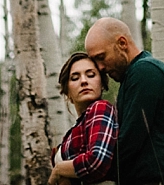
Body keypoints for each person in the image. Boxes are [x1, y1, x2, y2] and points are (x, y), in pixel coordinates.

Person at [84, 17, 164, 185]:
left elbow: (126, 146)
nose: (100, 67)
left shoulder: (145, 71)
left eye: (101, 57)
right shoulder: (134, 77)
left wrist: (78, 170)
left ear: (122, 43)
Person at [50, 51, 118, 184]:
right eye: (75, 78)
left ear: (102, 84)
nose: (84, 81)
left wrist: (59, 169)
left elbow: (97, 161)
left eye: (91, 75)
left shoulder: (100, 108)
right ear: (67, 92)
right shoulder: (74, 130)